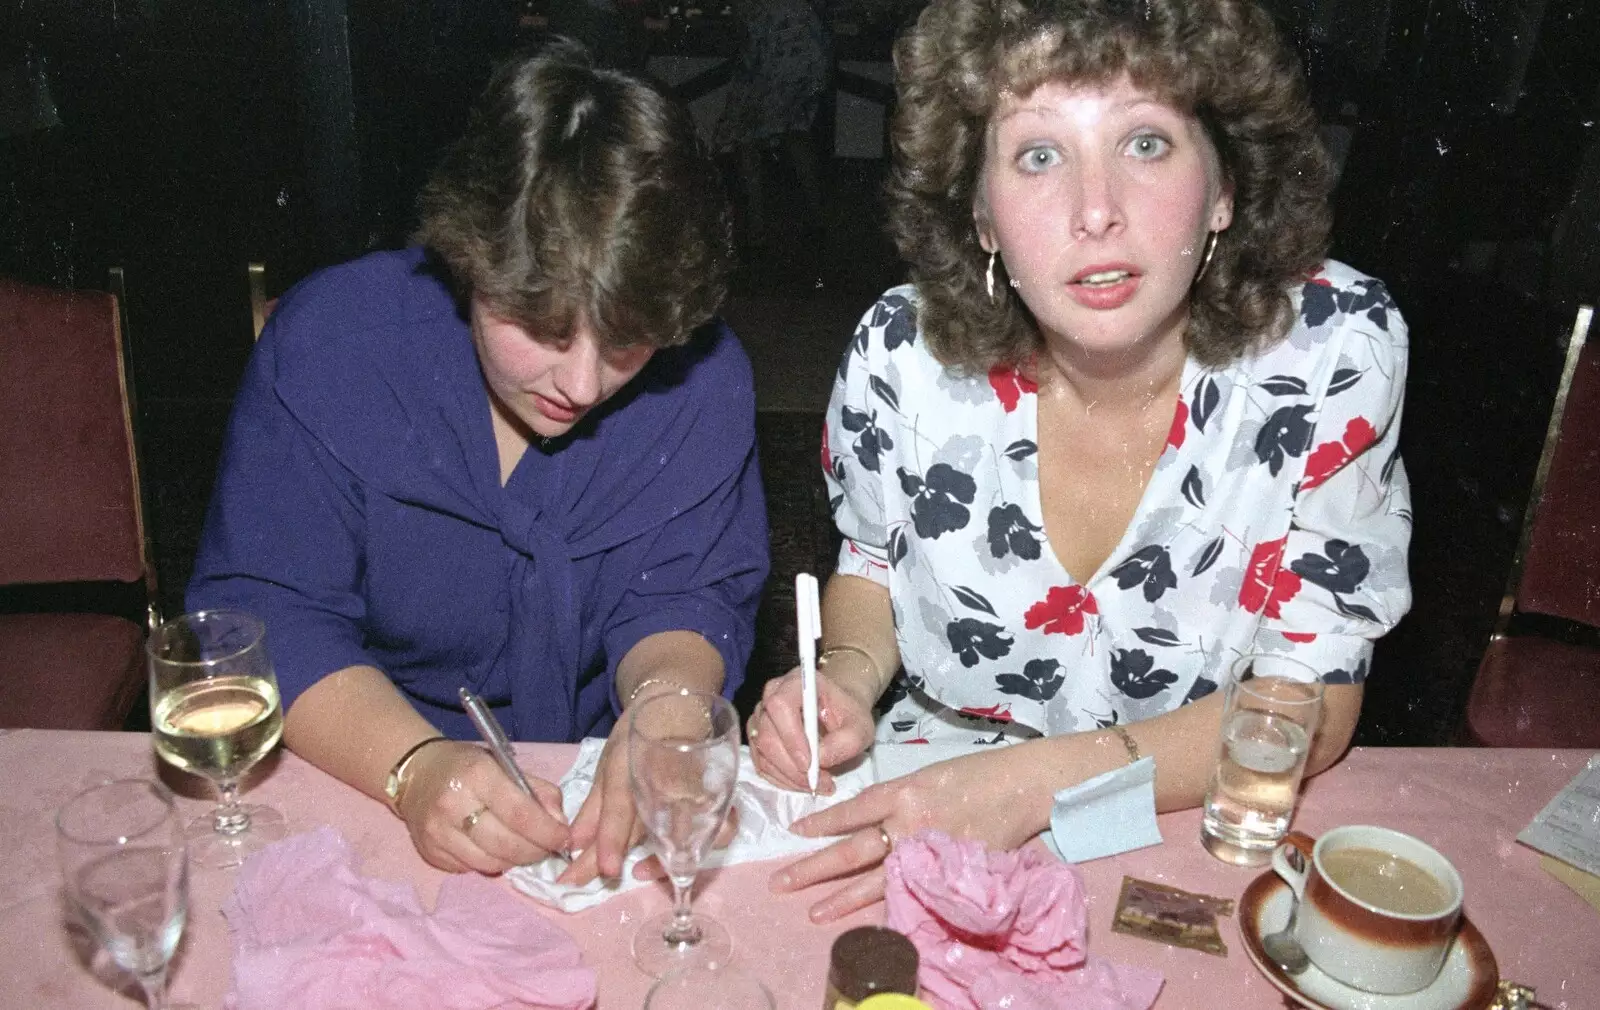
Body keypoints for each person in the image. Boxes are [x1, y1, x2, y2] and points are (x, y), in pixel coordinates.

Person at [747, 0, 1412, 921]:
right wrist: (845, 679)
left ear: (1225, 185)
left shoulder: (1336, 350)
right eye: (1038, 154)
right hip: (930, 785)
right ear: (981, 213)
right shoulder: (899, 351)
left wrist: (1029, 788)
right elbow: (870, 568)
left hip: (1184, 818)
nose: (1096, 211)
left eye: (1145, 143)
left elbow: (1309, 703)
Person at [189, 41, 768, 885]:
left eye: (628, 342)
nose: (581, 384)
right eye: (541, 325)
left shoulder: (704, 380)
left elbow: (684, 593)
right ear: (469, 256)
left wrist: (666, 713)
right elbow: (273, 616)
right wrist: (414, 767)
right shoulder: (334, 347)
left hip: (586, 766)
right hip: (357, 753)